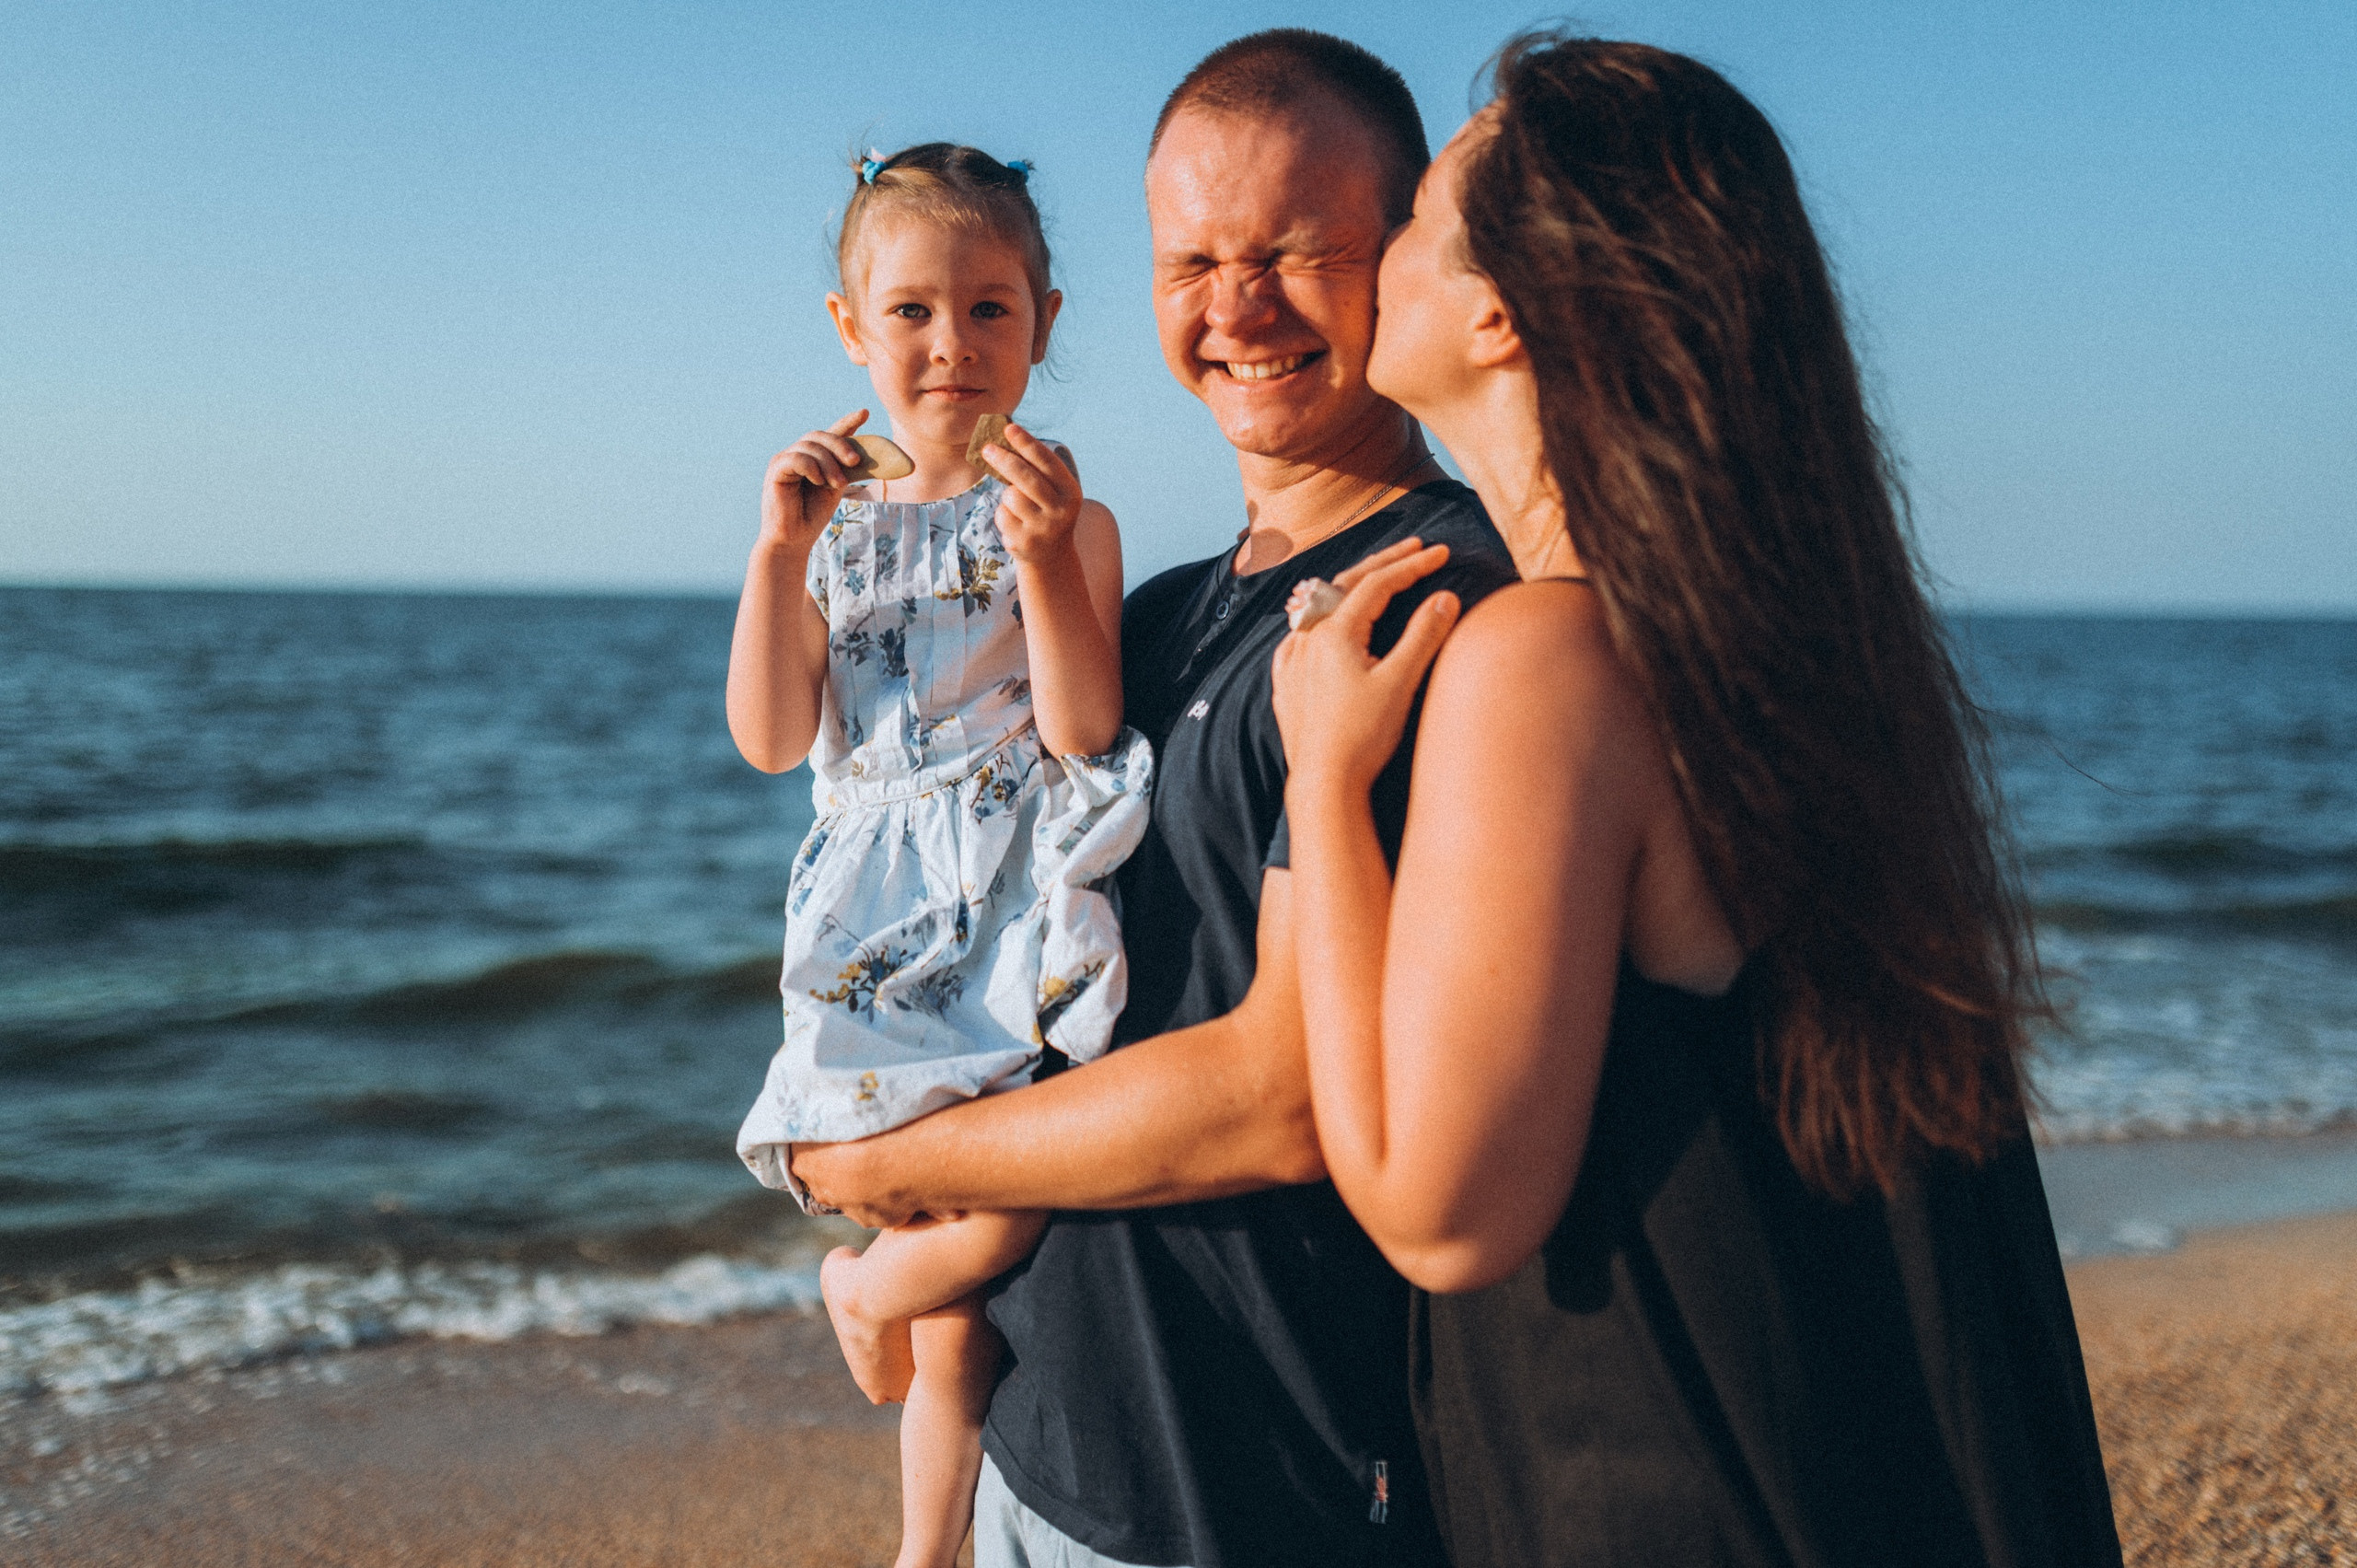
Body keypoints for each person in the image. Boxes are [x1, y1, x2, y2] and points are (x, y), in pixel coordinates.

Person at [1269, 34, 2124, 1567]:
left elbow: (1440, 1209)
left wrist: (1325, 784)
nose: (1374, 240)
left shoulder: (1549, 656)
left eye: (1420, 215)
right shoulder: (1795, 648)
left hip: (1657, 1491)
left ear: (1504, 311)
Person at [791, 30, 1515, 1568]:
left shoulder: (1429, 603)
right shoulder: (1169, 608)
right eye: (1192, 262)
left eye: (1298, 252)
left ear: (1402, 259)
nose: (1239, 309)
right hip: (1046, 1452)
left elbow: (1285, 1093)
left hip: (1253, 1491)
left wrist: (883, 1172)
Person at [725, 142, 1154, 1568]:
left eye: (989, 309)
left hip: (1013, 892)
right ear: (850, 327)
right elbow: (775, 737)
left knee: (1015, 1197)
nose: (950, 344)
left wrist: (1041, 558)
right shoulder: (831, 532)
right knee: (957, 1237)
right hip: (877, 909)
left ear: (1042, 323)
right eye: (910, 310)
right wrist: (774, 558)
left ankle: (870, 1313)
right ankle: (929, 1541)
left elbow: (1089, 727)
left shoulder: (1070, 518)